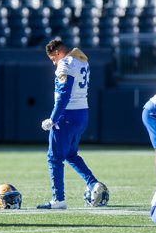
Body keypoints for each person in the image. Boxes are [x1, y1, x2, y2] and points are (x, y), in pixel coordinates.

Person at [37, 39, 107, 209]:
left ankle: (58, 199)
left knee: (54, 158)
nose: (54, 63)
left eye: (53, 59)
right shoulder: (81, 60)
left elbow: (64, 95)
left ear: (58, 53)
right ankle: (93, 184)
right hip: (82, 113)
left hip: (67, 115)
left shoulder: (65, 64)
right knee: (70, 154)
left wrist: (53, 119)